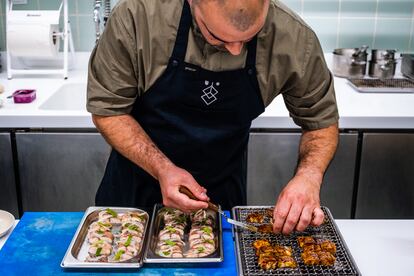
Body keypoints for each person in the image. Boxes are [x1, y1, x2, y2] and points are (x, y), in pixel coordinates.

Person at [87, 0, 339, 235]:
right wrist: (162, 168)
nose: (234, 50)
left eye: (249, 38)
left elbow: (320, 122)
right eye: (218, 37)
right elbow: (109, 110)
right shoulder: (138, 17)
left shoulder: (293, 37)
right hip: (134, 195)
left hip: (222, 201)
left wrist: (308, 177)